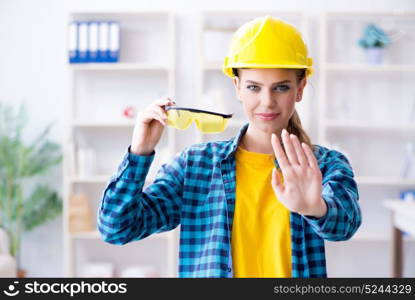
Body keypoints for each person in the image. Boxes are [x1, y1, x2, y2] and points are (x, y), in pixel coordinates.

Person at [97, 16, 361, 278]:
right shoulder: (196, 166)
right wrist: (139, 152)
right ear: (237, 87)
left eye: (281, 88)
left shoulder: (324, 164)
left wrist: (315, 208)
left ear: (300, 89)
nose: (267, 102)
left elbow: (346, 225)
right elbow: (116, 227)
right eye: (254, 87)